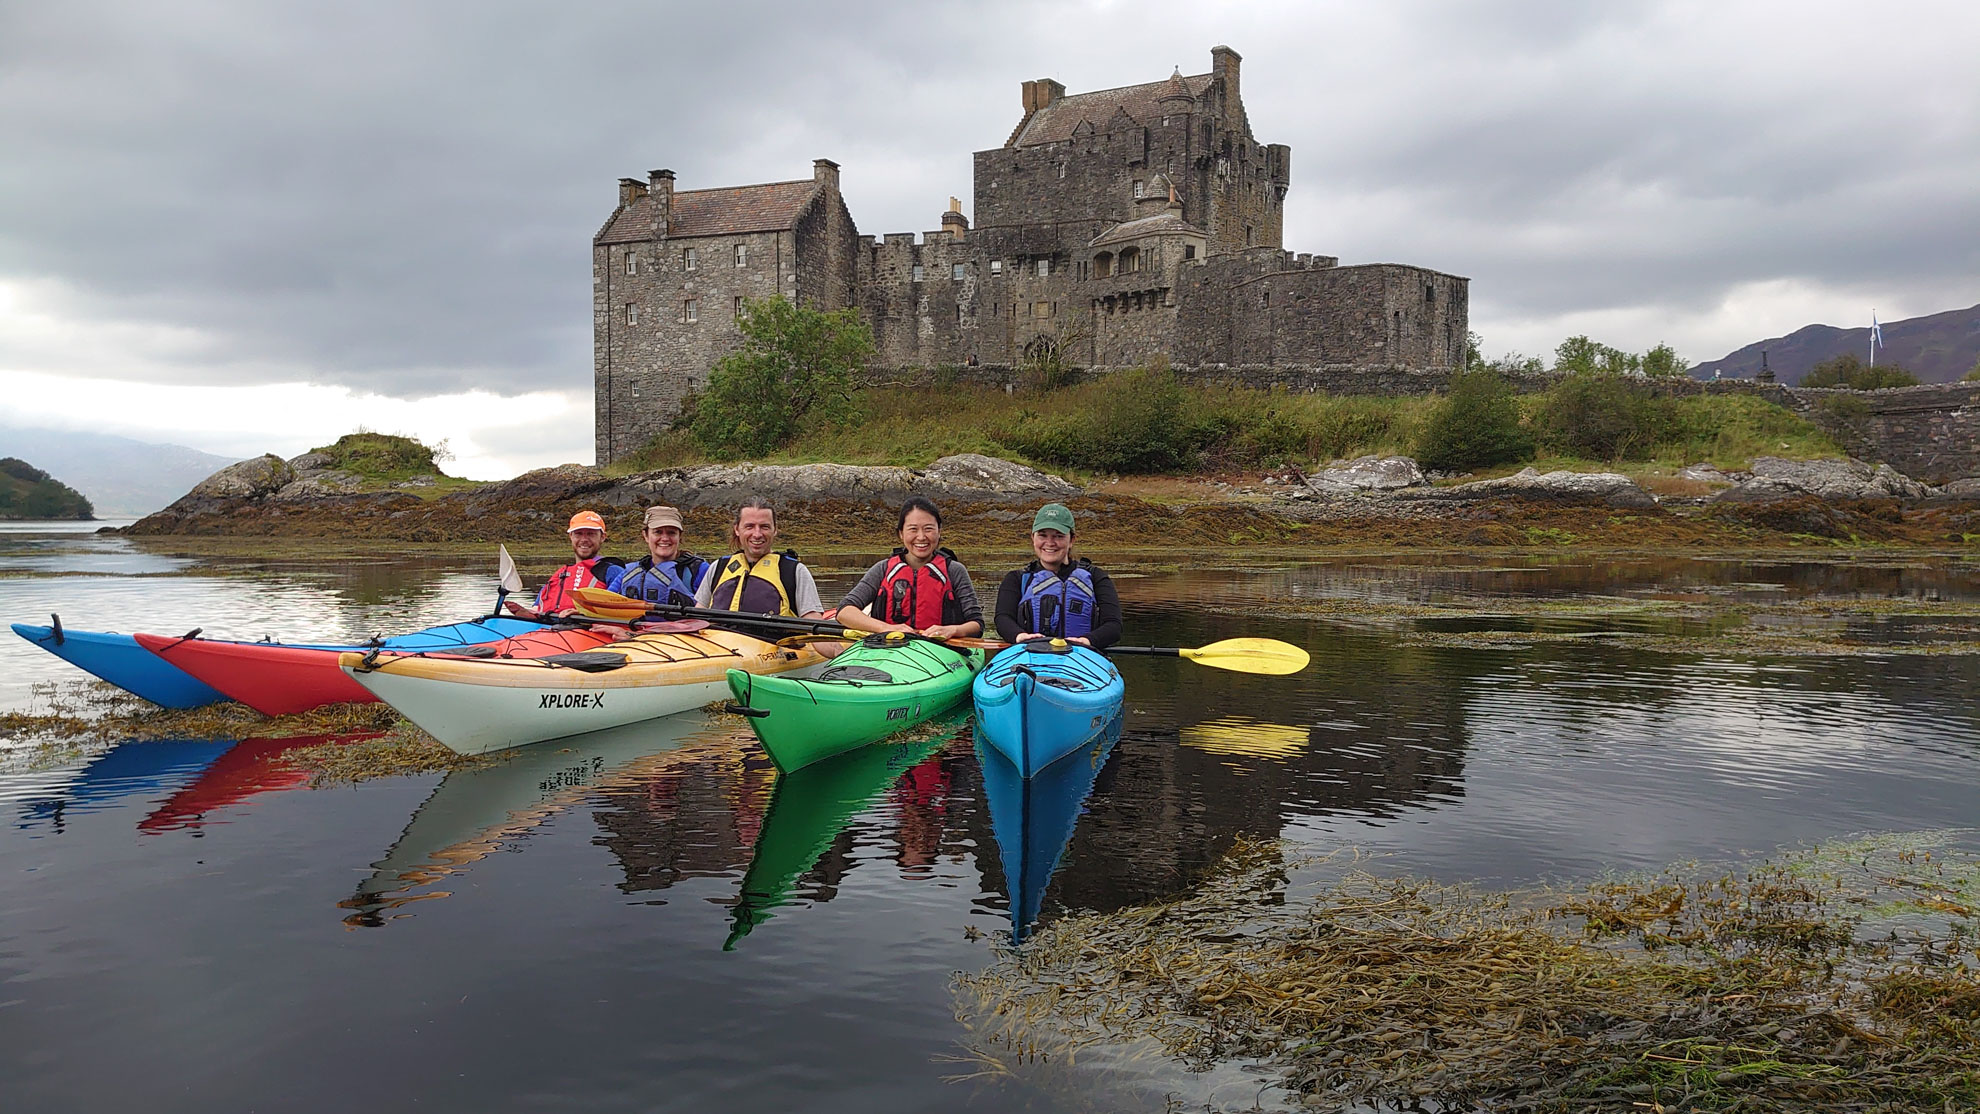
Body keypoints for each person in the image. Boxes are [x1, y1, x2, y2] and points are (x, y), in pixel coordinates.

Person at [835, 497, 984, 640]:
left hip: (940, 648)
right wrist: (885, 628)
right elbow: (844, 611)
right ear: (901, 533)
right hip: (888, 647)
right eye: (913, 529)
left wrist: (953, 630)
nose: (921, 537)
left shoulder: (954, 570)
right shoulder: (883, 569)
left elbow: (976, 624)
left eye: (928, 529)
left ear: (939, 531)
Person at [993, 502, 1122, 649]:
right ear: (1033, 538)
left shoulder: (1095, 577)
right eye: (1042, 535)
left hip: (1082, 653)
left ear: (1071, 540)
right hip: (1030, 652)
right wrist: (1020, 636)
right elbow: (1003, 618)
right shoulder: (1017, 579)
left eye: (1058, 536)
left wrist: (1088, 641)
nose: (1050, 543)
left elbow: (1113, 625)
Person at [695, 499, 829, 619]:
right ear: (737, 529)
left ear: (775, 530)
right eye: (749, 526)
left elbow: (812, 619)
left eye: (764, 527)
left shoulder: (794, 572)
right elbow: (699, 615)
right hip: (720, 638)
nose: (757, 534)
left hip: (773, 639)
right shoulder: (718, 567)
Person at [505, 510, 626, 619]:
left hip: (587, 631)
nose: (584, 539)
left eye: (591, 534)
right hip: (550, 629)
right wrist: (527, 613)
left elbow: (623, 611)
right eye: (578, 534)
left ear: (603, 537)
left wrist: (585, 613)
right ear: (571, 536)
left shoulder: (613, 571)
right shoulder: (561, 574)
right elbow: (537, 608)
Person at [615, 505, 709, 609]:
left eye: (671, 533)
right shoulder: (628, 573)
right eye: (658, 532)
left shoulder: (699, 570)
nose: (664, 538)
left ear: (680, 536)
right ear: (646, 535)